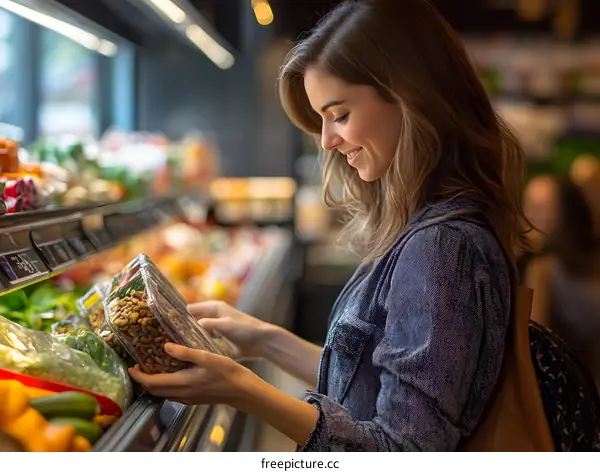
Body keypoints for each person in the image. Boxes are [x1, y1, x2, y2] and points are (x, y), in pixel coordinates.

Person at [130, 0, 600, 451]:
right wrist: (266, 340)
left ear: (408, 97)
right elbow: (381, 391)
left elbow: (402, 449)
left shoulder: (441, 247)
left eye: (340, 115)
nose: (329, 140)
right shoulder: (441, 225)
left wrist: (242, 389)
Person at [525, 176, 600, 385]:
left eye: (541, 207)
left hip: (572, 391)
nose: (531, 214)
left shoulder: (542, 269)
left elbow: (534, 343)